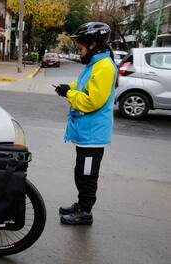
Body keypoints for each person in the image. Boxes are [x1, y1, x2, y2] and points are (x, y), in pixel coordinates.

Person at [54, 22, 118, 225]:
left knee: (87, 176)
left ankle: (85, 212)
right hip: (86, 133)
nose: (79, 53)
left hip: (93, 135)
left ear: (93, 45)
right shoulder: (95, 65)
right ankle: (81, 205)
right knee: (81, 173)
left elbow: (92, 101)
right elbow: (84, 87)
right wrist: (69, 87)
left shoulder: (104, 67)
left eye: (80, 49)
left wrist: (69, 94)